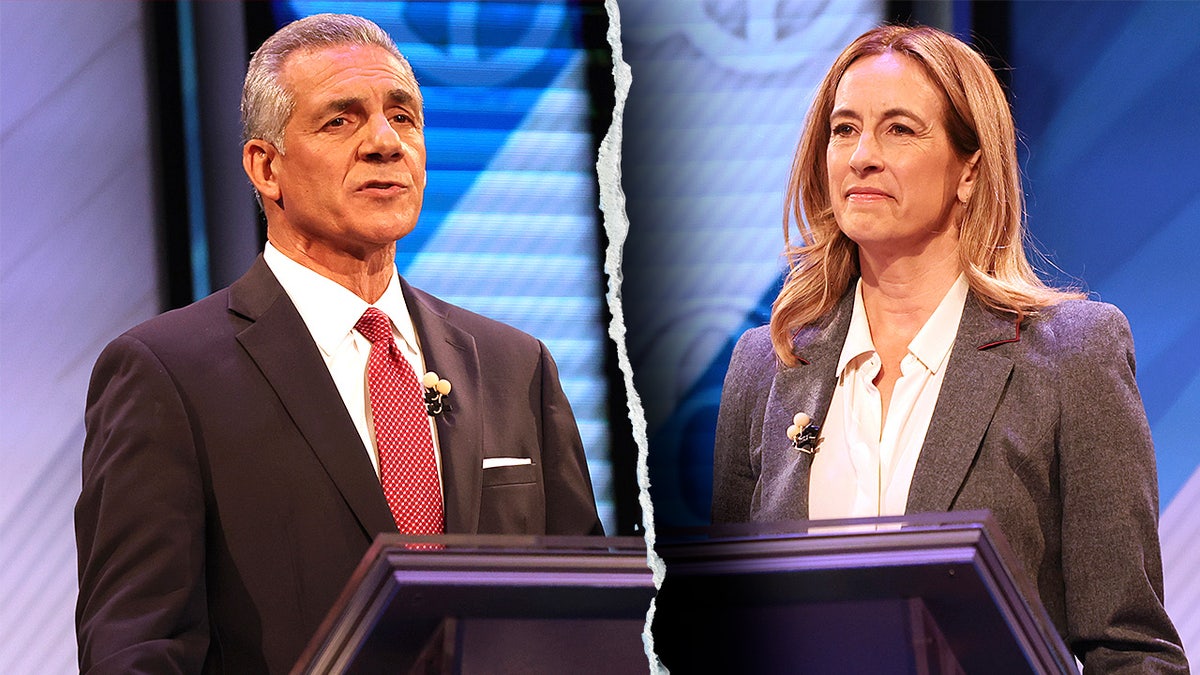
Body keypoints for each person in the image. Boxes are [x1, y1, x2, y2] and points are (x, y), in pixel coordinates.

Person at [75, 13, 603, 674]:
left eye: (403, 117)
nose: (385, 142)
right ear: (266, 168)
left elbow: (587, 623)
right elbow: (137, 649)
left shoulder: (513, 365)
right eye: (341, 120)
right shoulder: (167, 375)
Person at [711, 25, 1188, 672]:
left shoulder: (1072, 356)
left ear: (969, 169)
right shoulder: (767, 364)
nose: (862, 156)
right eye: (844, 129)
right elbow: (727, 632)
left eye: (900, 130)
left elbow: (1131, 651)